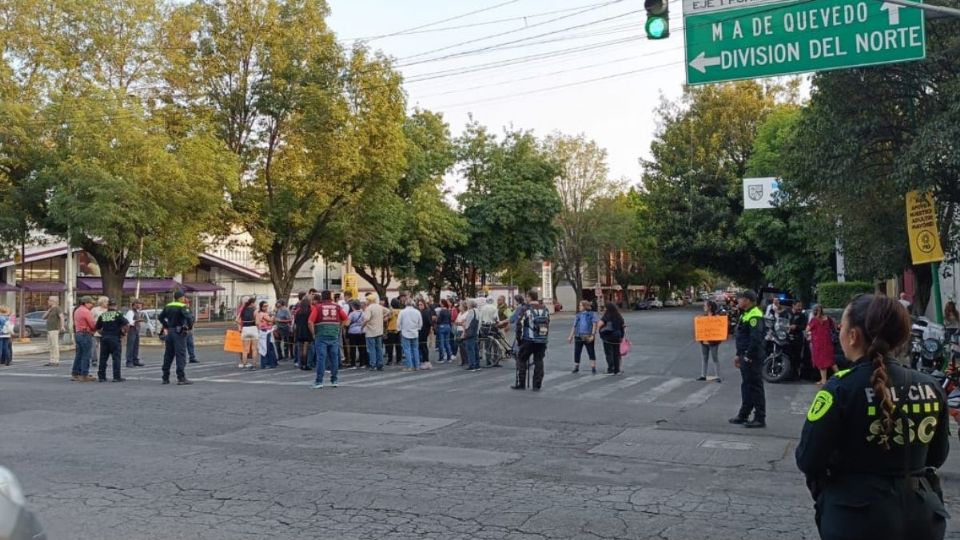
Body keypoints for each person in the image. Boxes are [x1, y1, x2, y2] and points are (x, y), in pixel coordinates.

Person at [795, 294, 949, 540]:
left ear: (854, 336)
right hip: (920, 516)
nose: (840, 333)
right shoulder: (931, 386)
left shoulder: (839, 389)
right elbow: (937, 455)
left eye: (842, 327)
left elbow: (808, 458)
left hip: (856, 516)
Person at [729, 290, 766, 428]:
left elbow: (755, 339)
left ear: (748, 300)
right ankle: (744, 414)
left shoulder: (755, 315)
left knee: (755, 387)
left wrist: (748, 356)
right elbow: (742, 337)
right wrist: (738, 355)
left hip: (752, 357)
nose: (738, 301)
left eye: (740, 299)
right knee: (746, 386)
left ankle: (760, 417)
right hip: (745, 355)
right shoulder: (745, 314)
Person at [511, 291, 550, 390]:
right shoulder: (545, 309)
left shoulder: (526, 309)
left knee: (522, 359)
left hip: (528, 339)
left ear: (529, 297)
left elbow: (519, 325)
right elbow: (547, 323)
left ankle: (522, 383)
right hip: (541, 339)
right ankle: (537, 384)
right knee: (539, 361)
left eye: (527, 297)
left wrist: (519, 340)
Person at [310, 291, 348, 389]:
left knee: (321, 358)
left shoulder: (318, 307)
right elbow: (346, 320)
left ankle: (319, 381)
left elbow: (310, 321)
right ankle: (334, 380)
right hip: (334, 335)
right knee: (334, 358)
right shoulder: (337, 307)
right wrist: (339, 328)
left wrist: (314, 333)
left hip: (321, 335)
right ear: (330, 297)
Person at [158, 291, 193, 385]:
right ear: (181, 298)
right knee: (180, 354)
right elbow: (189, 318)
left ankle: (165, 377)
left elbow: (160, 317)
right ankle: (181, 378)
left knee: (168, 355)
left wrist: (166, 325)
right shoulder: (182, 306)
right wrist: (189, 327)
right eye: (184, 297)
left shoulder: (168, 305)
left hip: (170, 332)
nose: (185, 299)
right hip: (179, 333)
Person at [95, 298, 129, 382]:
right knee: (116, 358)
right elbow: (126, 324)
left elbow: (97, 327)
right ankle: (116, 377)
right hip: (115, 338)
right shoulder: (118, 314)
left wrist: (102, 334)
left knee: (103, 358)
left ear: (108, 306)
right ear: (116, 306)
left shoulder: (103, 315)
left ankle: (101, 377)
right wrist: (124, 333)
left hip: (104, 339)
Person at [807, 305, 838, 385]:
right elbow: (834, 327)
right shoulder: (828, 318)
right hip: (828, 343)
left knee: (821, 362)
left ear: (815, 311)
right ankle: (839, 377)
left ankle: (824, 380)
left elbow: (807, 329)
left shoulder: (814, 320)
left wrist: (810, 334)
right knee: (831, 361)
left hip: (818, 344)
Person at [568, 300, 599, 374]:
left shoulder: (592, 314)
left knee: (591, 351)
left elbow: (594, 325)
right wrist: (571, 336)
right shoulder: (578, 315)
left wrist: (593, 335)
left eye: (580, 305)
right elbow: (574, 326)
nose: (579, 307)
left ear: (585, 306)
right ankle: (576, 366)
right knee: (577, 351)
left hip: (588, 335)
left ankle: (593, 367)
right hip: (578, 335)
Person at [70, 297, 97, 381]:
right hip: (85, 333)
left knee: (79, 354)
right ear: (86, 303)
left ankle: (75, 373)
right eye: (91, 303)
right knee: (86, 354)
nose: (92, 305)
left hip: (78, 333)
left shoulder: (77, 310)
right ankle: (84, 374)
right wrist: (97, 328)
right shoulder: (86, 311)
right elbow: (92, 324)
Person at [598, 302, 625, 375]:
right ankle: (617, 369)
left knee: (609, 353)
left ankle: (611, 368)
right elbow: (622, 327)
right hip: (617, 336)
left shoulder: (607, 315)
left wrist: (600, 330)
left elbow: (600, 324)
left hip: (608, 336)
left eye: (605, 308)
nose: (604, 309)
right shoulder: (619, 316)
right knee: (616, 353)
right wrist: (622, 336)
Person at [698, 300, 722, 382]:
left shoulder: (717, 318)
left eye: (705, 305)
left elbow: (720, 329)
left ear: (709, 307)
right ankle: (703, 375)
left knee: (715, 358)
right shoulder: (703, 317)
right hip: (704, 341)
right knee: (704, 358)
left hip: (713, 342)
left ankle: (717, 376)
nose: (704, 307)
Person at [363, 294, 387, 372]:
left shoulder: (368, 308)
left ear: (369, 300)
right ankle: (380, 364)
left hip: (370, 331)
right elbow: (388, 311)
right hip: (379, 331)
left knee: (371, 349)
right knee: (379, 349)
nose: (366, 301)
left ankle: (373, 365)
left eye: (367, 300)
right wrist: (384, 317)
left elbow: (366, 319)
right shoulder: (380, 307)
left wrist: (361, 326)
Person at [397, 299, 423, 371]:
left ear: (405, 304)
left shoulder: (402, 312)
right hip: (415, 332)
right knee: (415, 349)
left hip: (405, 332)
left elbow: (398, 322)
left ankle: (409, 366)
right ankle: (417, 366)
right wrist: (418, 328)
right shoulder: (417, 312)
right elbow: (420, 323)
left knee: (407, 350)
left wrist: (399, 329)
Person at [235, 297, 258, 369]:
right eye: (255, 303)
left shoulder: (243, 310)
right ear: (252, 303)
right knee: (254, 348)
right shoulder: (255, 311)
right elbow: (257, 322)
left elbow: (236, 320)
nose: (256, 304)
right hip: (253, 328)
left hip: (245, 328)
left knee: (245, 349)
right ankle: (254, 364)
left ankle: (244, 364)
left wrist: (242, 323)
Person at [458, 299, 480, 372]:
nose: (467, 305)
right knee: (475, 348)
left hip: (470, 332)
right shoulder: (477, 310)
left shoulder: (471, 311)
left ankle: (472, 365)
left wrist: (464, 328)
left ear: (470, 305)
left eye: (467, 304)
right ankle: (477, 365)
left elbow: (468, 323)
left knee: (470, 349)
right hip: (475, 331)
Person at [124, 298, 146, 368]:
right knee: (130, 346)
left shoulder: (137, 311)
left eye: (140, 304)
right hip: (131, 330)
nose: (139, 305)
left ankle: (135, 360)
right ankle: (129, 361)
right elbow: (129, 322)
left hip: (136, 330)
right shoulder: (130, 312)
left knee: (136, 346)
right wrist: (137, 321)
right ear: (134, 305)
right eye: (138, 304)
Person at [43, 296, 65, 367]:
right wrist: (49, 310)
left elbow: (61, 317)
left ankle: (56, 361)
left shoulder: (57, 308)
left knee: (55, 345)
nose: (48, 302)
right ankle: (51, 360)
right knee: (51, 345)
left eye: (49, 300)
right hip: (49, 329)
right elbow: (43, 317)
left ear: (53, 301)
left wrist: (62, 326)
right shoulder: (51, 309)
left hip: (54, 329)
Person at [256, 301, 277, 369]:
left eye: (267, 306)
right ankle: (267, 364)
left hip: (264, 331)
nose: (266, 307)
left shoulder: (259, 313)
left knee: (265, 348)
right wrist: (274, 314)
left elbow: (257, 323)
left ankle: (267, 363)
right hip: (265, 331)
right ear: (261, 307)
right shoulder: (263, 314)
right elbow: (270, 320)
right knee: (267, 348)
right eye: (264, 306)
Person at [346, 300, 367, 369]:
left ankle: (353, 364)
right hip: (362, 331)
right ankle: (362, 363)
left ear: (352, 306)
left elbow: (347, 323)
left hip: (353, 332)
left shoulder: (352, 314)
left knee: (353, 348)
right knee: (362, 348)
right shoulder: (363, 313)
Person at [90, 296, 108, 367]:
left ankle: (103, 361)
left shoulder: (109, 310)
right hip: (96, 329)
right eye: (106, 302)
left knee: (104, 347)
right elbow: (90, 318)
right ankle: (94, 360)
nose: (107, 303)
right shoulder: (95, 310)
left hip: (105, 330)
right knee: (94, 346)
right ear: (102, 302)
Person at [435, 299, 454, 364]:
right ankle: (449, 357)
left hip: (442, 326)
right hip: (448, 326)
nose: (439, 303)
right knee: (447, 343)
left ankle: (441, 358)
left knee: (441, 343)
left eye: (440, 303)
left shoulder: (441, 311)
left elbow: (439, 321)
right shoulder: (448, 311)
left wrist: (437, 319)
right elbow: (450, 320)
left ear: (442, 304)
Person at [417, 298, 434, 370]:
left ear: (424, 304)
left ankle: (426, 361)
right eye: (419, 305)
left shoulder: (425, 312)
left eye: (421, 304)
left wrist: (429, 329)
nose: (420, 306)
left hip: (423, 331)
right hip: (423, 330)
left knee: (423, 346)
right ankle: (424, 361)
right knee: (422, 346)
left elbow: (429, 322)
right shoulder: (424, 311)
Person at [385, 298, 402, 366]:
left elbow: (386, 319)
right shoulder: (401, 311)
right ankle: (399, 360)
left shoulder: (391, 311)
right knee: (398, 346)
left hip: (391, 330)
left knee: (390, 346)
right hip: (398, 330)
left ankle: (390, 360)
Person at [184, 297, 199, 364]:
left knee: (190, 344)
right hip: (185, 329)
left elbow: (192, 319)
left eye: (188, 303)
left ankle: (192, 357)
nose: (188, 304)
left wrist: (191, 327)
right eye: (186, 303)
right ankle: (186, 358)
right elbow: (189, 319)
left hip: (188, 329)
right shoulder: (184, 310)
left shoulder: (188, 310)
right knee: (184, 345)